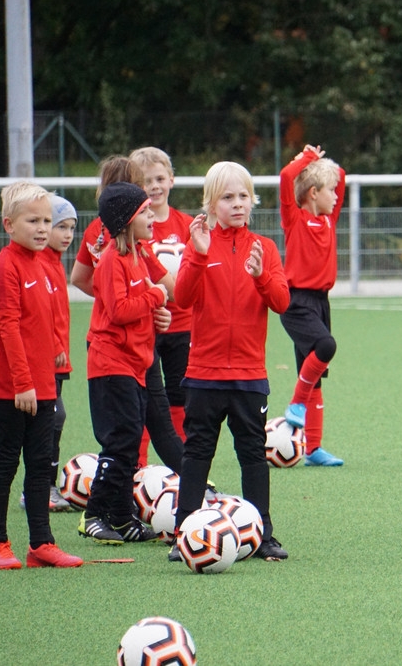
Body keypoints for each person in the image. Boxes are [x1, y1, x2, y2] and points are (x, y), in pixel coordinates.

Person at [168, 161, 291, 562]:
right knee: (197, 452)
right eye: (227, 197)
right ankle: (184, 533)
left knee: (253, 454)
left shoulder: (265, 248)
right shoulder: (199, 245)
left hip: (249, 376)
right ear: (210, 204)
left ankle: (263, 534)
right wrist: (199, 255)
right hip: (203, 374)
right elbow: (183, 297)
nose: (237, 204)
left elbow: (282, 302)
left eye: (243, 196)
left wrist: (261, 276)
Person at [0, 181, 83, 569]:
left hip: (43, 382)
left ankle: (41, 544)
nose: (43, 228)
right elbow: (7, 326)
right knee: (6, 462)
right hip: (9, 387)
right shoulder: (5, 267)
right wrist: (22, 383)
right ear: (9, 224)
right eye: (33, 221)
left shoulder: (43, 263)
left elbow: (44, 314)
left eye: (46, 221)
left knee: (41, 464)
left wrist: (55, 346)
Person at [69, 156, 187, 478]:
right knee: (138, 430)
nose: (147, 193)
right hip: (121, 350)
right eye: (141, 185)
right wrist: (142, 301)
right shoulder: (125, 243)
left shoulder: (108, 232)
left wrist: (137, 306)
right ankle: (182, 486)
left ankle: (179, 483)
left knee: (142, 425)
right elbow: (168, 290)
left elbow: (80, 278)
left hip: (131, 343)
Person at [78, 182, 171, 545]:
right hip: (111, 364)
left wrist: (158, 315)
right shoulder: (112, 261)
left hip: (135, 363)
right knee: (120, 442)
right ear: (127, 220)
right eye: (145, 212)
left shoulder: (139, 254)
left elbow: (140, 308)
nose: (152, 217)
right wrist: (156, 295)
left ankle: (121, 516)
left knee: (130, 443)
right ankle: (93, 514)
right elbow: (119, 311)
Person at [278, 144, 346, 466]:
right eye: (330, 190)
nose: (336, 195)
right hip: (297, 302)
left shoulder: (329, 219)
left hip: (321, 302)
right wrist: (306, 159)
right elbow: (286, 177)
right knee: (326, 346)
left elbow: (340, 174)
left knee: (315, 375)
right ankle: (296, 403)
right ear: (314, 193)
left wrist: (322, 163)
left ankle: (313, 449)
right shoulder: (295, 219)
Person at [129, 146, 193, 460]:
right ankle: (138, 466)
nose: (153, 186)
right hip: (145, 325)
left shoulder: (187, 225)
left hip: (183, 325)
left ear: (171, 180)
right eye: (145, 181)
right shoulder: (133, 228)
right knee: (144, 396)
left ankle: (183, 467)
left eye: (159, 178)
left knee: (180, 396)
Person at [38, 195, 78, 512]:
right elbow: (39, 316)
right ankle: (39, 489)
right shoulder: (39, 263)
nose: (67, 234)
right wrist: (54, 346)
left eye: (72, 228)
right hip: (44, 360)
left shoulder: (54, 263)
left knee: (54, 418)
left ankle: (44, 487)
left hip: (57, 359)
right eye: (60, 226)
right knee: (51, 418)